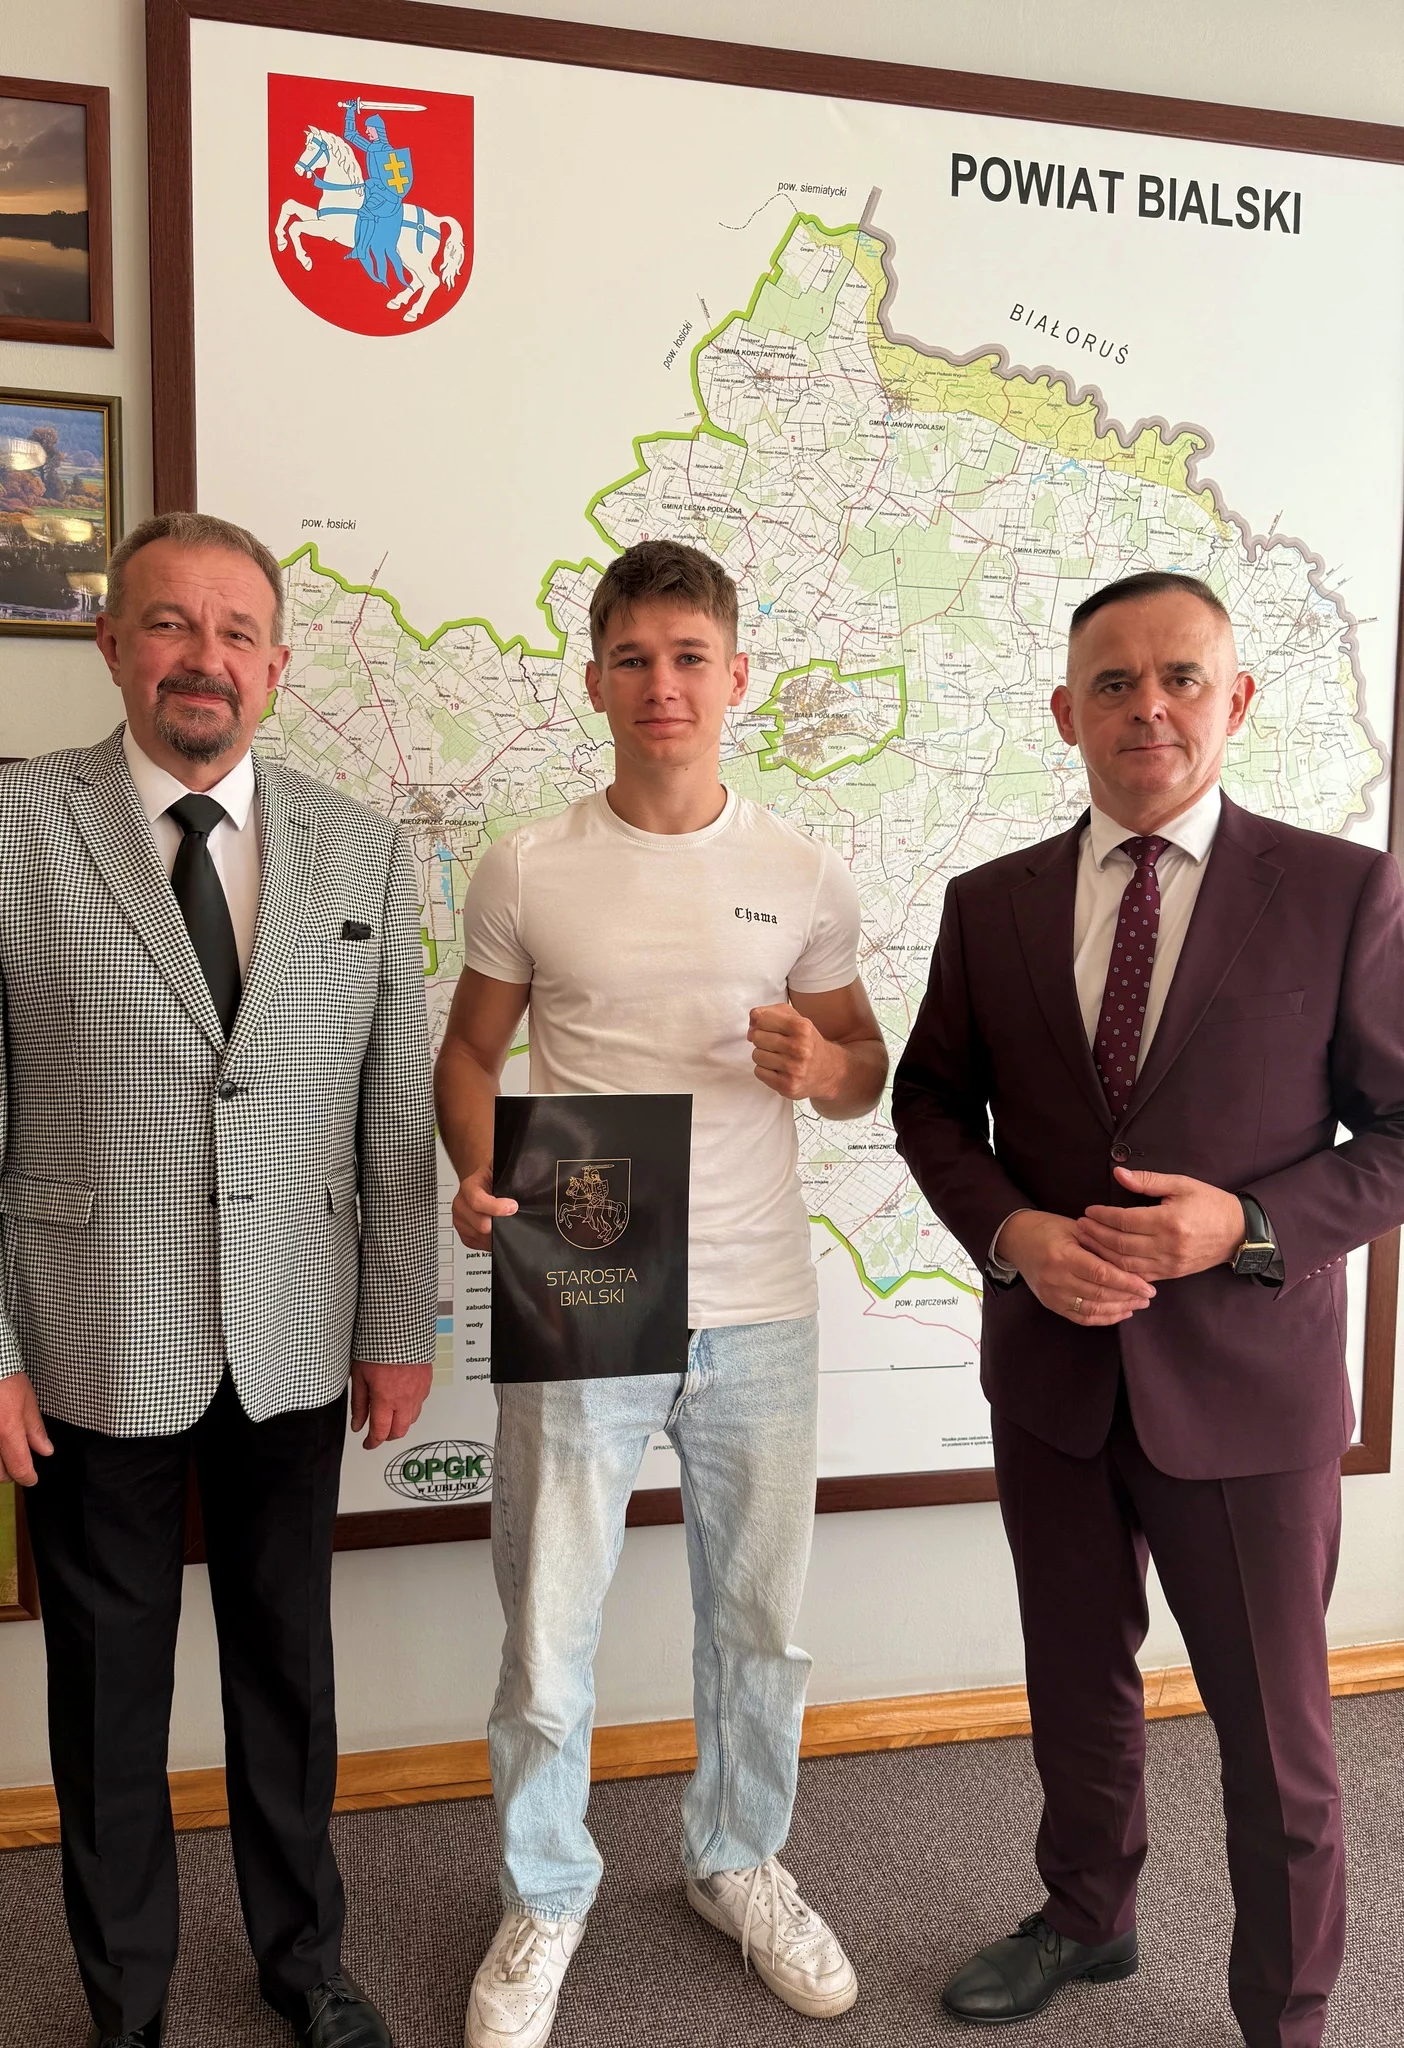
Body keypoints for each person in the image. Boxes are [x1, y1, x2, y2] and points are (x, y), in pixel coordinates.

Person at [0, 511, 436, 2048]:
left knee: (291, 1676)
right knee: (107, 1696)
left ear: (277, 662)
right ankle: (125, 2003)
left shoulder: (360, 846)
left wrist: (398, 1322)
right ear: (114, 642)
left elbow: (392, 1112)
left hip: (296, 1342)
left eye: (236, 631)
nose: (207, 657)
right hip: (86, 1345)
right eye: (173, 624)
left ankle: (305, 1965)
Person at [891, 570, 1404, 2047]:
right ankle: (1086, 1915)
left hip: (1249, 1396)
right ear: (1067, 713)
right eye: (1113, 682)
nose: (1148, 706)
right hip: (1052, 1380)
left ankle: (1287, 2015)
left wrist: (1245, 1223)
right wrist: (1013, 1234)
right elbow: (932, 1106)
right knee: (1075, 1684)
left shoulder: (1343, 891)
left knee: (1279, 1739)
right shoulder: (990, 905)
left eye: (1181, 676)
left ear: (1235, 700)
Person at [434, 539, 888, 2048]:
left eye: (691, 656)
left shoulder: (802, 870)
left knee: (758, 1622)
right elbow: (469, 1054)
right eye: (634, 657)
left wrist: (824, 1066)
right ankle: (544, 1890)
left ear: (735, 676)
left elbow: (865, 1065)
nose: (663, 684)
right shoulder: (528, 865)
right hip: (586, 1278)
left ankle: (736, 1858)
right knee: (547, 1626)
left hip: (760, 1301)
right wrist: (479, 1169)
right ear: (595, 681)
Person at [341, 100, 410, 287]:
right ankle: (359, 248)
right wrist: (350, 111)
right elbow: (350, 135)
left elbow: (394, 180)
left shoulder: (388, 151)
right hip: (374, 192)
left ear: (378, 130)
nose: (366, 132)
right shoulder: (372, 147)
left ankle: (361, 250)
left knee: (365, 212)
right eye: (366, 128)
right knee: (360, 211)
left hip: (388, 196)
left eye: (369, 129)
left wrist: (375, 184)